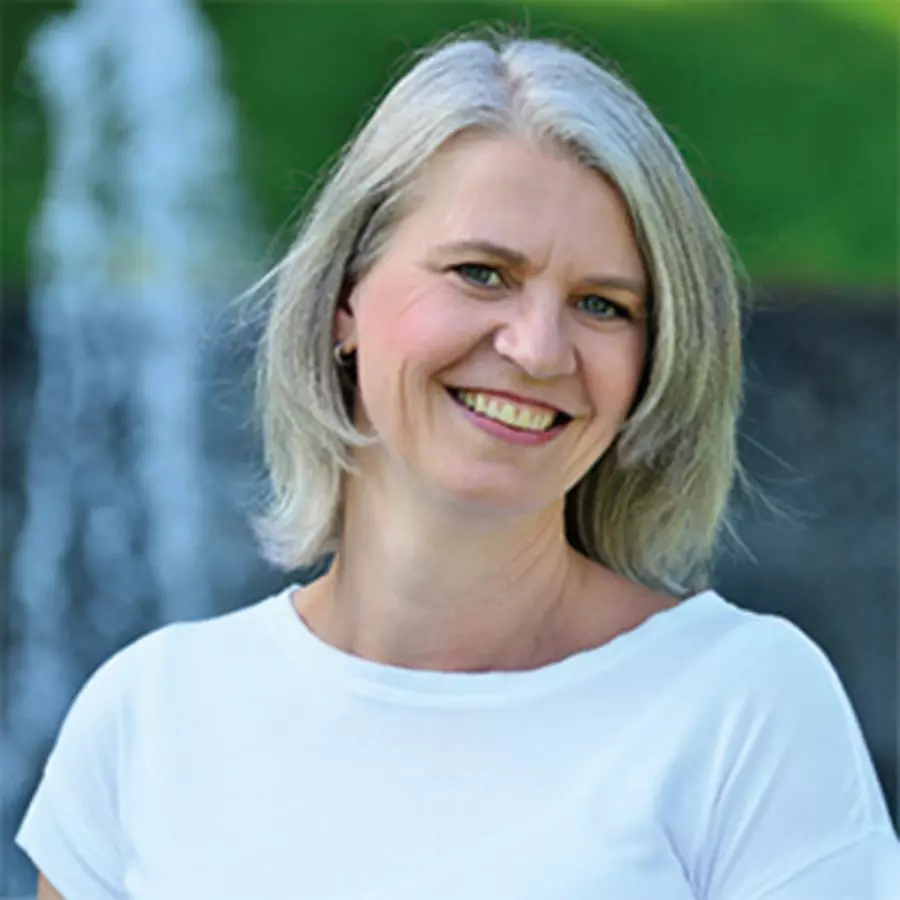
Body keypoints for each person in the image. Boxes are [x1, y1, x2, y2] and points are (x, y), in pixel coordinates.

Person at [16, 28, 899, 900]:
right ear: (344, 300)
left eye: (602, 305)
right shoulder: (148, 717)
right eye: (482, 273)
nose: (538, 349)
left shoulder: (743, 707)